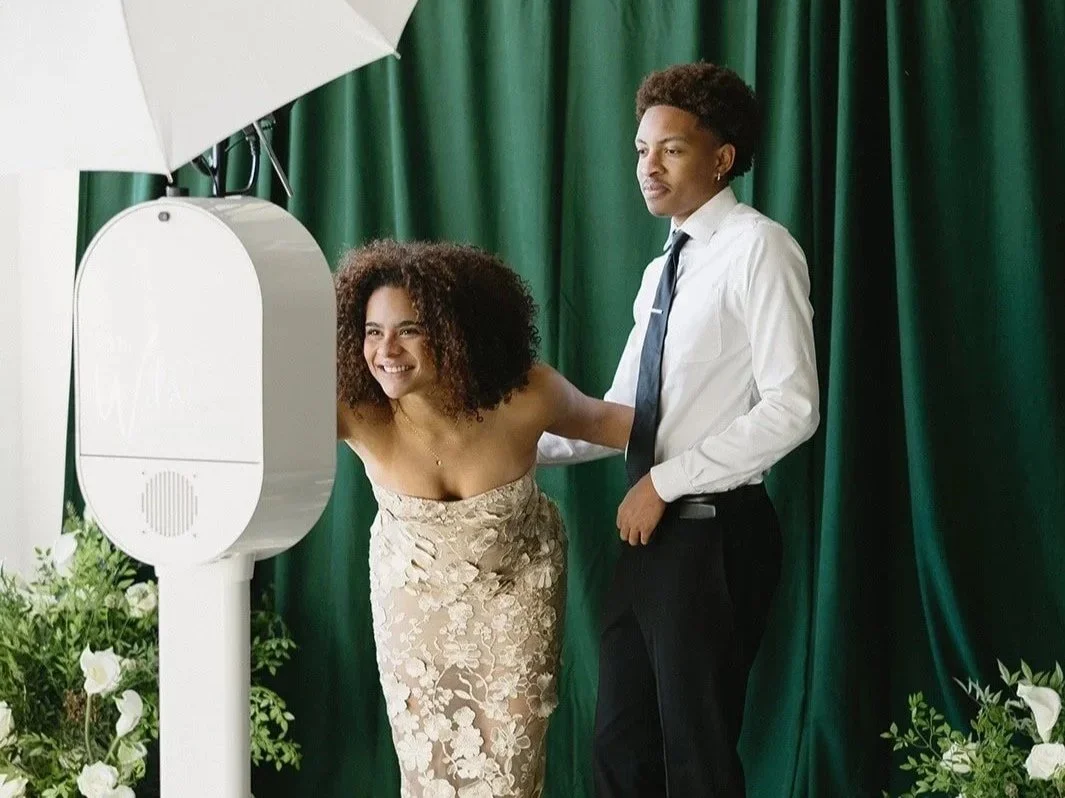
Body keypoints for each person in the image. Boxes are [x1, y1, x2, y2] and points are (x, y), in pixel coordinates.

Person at [538, 62, 820, 797]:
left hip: (714, 535)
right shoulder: (662, 267)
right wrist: (515, 445)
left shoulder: (760, 248)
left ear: (721, 159)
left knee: (694, 758)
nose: (647, 166)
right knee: (620, 752)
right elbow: (622, 413)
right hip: (648, 542)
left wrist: (663, 481)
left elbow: (793, 407)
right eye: (639, 149)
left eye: (670, 148)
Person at [335, 239, 634, 798]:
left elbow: (614, 425)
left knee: (511, 772)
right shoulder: (355, 408)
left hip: (515, 589)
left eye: (409, 329)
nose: (386, 350)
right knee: (428, 771)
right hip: (412, 599)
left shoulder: (525, 394)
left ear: (453, 329)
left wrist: (724, 441)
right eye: (372, 331)